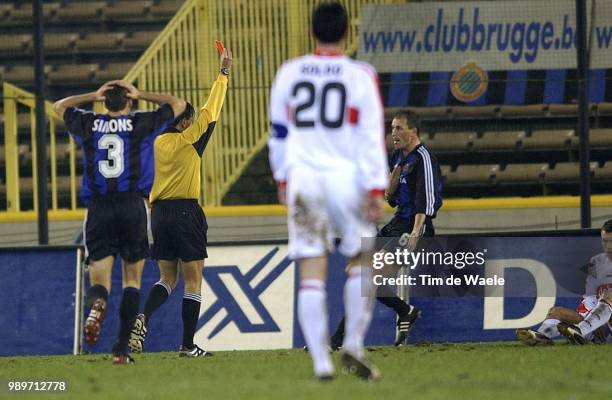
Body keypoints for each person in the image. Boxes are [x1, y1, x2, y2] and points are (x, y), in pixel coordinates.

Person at [268, 2, 387, 381]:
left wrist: (283, 179)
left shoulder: (289, 73)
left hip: (304, 178)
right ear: (347, 34)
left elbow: (279, 133)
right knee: (361, 261)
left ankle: (321, 360)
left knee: (312, 271)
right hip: (346, 178)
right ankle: (352, 343)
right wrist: (375, 187)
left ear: (311, 33)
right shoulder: (360, 74)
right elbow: (370, 135)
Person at [53, 82, 186, 364]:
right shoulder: (140, 123)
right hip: (132, 206)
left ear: (104, 103)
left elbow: (59, 107)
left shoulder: (89, 123)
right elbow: (179, 104)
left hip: (99, 208)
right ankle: (121, 350)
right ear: (129, 102)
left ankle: (98, 303)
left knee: (100, 279)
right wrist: (141, 94)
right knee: (131, 280)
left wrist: (91, 95)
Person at [128, 48, 232, 358]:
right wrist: (223, 74)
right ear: (186, 121)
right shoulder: (191, 137)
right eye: (191, 118)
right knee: (193, 280)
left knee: (166, 278)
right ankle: (187, 346)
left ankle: (144, 314)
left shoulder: (160, 142)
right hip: (186, 211)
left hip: (158, 213)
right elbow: (212, 108)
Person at [329, 110, 443, 348]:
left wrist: (415, 232)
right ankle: (405, 311)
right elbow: (392, 199)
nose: (394, 133)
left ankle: (337, 341)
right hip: (396, 223)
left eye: (399, 128)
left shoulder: (423, 158)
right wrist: (389, 190)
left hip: (413, 227)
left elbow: (427, 200)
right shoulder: (397, 157)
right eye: (392, 128)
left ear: (413, 130)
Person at [516, 219, 612, 345]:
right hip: (599, 327)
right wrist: (592, 322)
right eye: (605, 241)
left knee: (609, 295)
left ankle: (581, 331)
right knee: (556, 312)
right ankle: (542, 337)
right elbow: (589, 299)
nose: (609, 246)